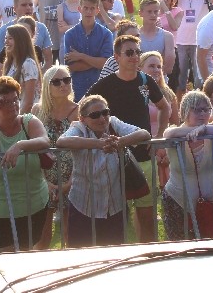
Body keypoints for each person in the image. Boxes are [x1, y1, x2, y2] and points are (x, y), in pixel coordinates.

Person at [87, 34, 170, 242]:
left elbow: (164, 107)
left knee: (147, 218)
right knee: (116, 222)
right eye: (129, 52)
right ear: (117, 57)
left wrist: (159, 136)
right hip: (114, 160)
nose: (134, 57)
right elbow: (83, 111)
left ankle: (149, 256)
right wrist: (99, 138)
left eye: (137, 52)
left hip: (144, 157)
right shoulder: (104, 85)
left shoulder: (146, 81)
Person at [56, 94, 151, 247]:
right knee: (82, 255)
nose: (102, 118)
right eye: (95, 115)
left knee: (113, 254)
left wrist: (120, 142)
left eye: (105, 112)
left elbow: (144, 133)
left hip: (114, 206)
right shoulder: (78, 128)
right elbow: (62, 141)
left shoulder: (114, 123)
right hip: (83, 206)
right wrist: (99, 144)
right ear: (83, 119)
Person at [0, 76, 50, 252]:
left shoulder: (29, 121)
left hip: (32, 205)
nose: (13, 105)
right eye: (5, 102)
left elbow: (44, 141)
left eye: (15, 99)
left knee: (25, 254)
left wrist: (20, 145)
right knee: (0, 256)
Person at [161, 90, 213, 240]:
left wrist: (206, 129)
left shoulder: (210, 131)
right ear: (185, 111)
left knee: (212, 246)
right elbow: (168, 134)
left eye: (206, 109)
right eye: (196, 109)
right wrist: (199, 130)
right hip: (178, 201)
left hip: (210, 202)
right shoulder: (175, 131)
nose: (202, 114)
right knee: (181, 247)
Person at [32, 66, 79, 249]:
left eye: (67, 80)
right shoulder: (37, 111)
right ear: (47, 85)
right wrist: (45, 182)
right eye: (57, 82)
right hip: (42, 178)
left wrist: (70, 183)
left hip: (72, 177)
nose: (63, 85)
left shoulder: (78, 111)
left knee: (70, 233)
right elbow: (32, 148)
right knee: (41, 235)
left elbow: (82, 150)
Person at [61, 0, 114, 101]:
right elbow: (71, 67)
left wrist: (81, 56)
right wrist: (96, 61)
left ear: (97, 10)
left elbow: (105, 63)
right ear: (79, 9)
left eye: (92, 8)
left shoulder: (106, 34)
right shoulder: (70, 34)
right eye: (85, 8)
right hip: (77, 89)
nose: (89, 12)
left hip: (100, 88)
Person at [0, 23, 40, 111]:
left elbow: (29, 102)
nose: (6, 42)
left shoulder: (28, 63)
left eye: (10, 38)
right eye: (6, 38)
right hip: (12, 112)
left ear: (20, 41)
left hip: (26, 115)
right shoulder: (9, 63)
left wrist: (17, 118)